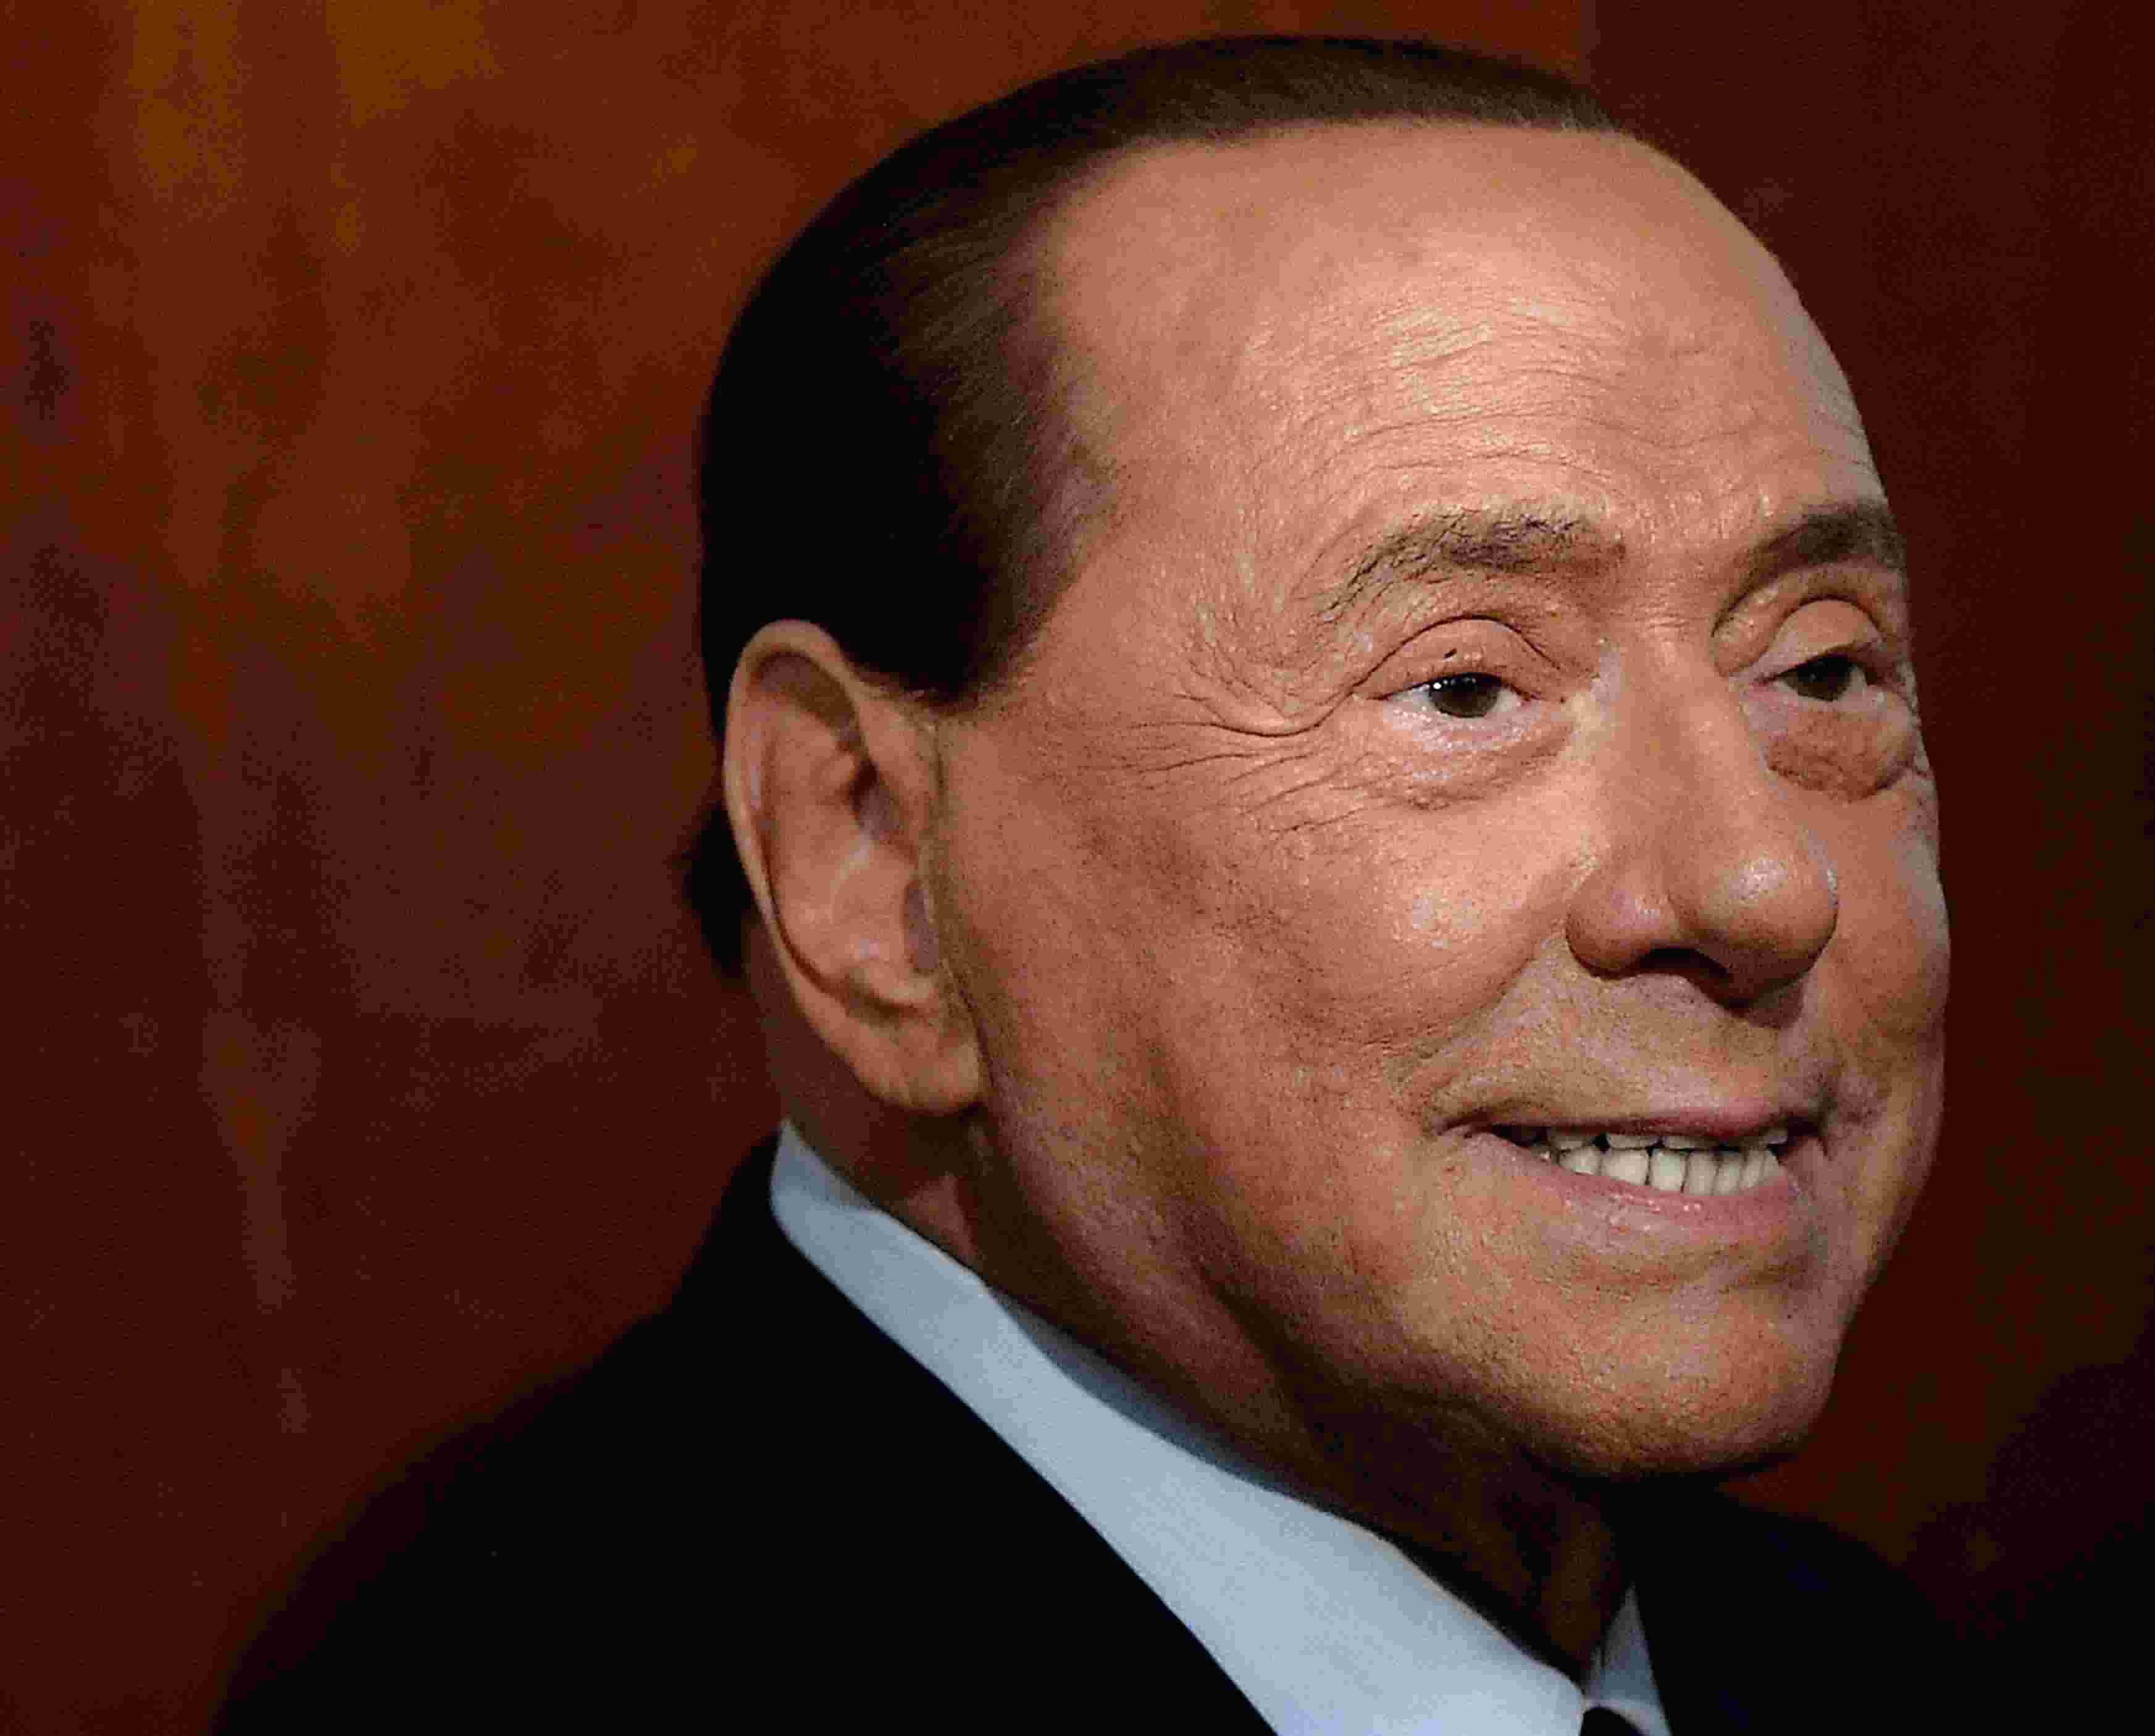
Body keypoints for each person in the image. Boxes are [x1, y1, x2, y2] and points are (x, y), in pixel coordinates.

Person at [220, 36, 1954, 1734]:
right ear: (872, 864)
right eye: (1464, 688)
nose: (1762, 881)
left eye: (1822, 671)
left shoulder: (1869, 1669)